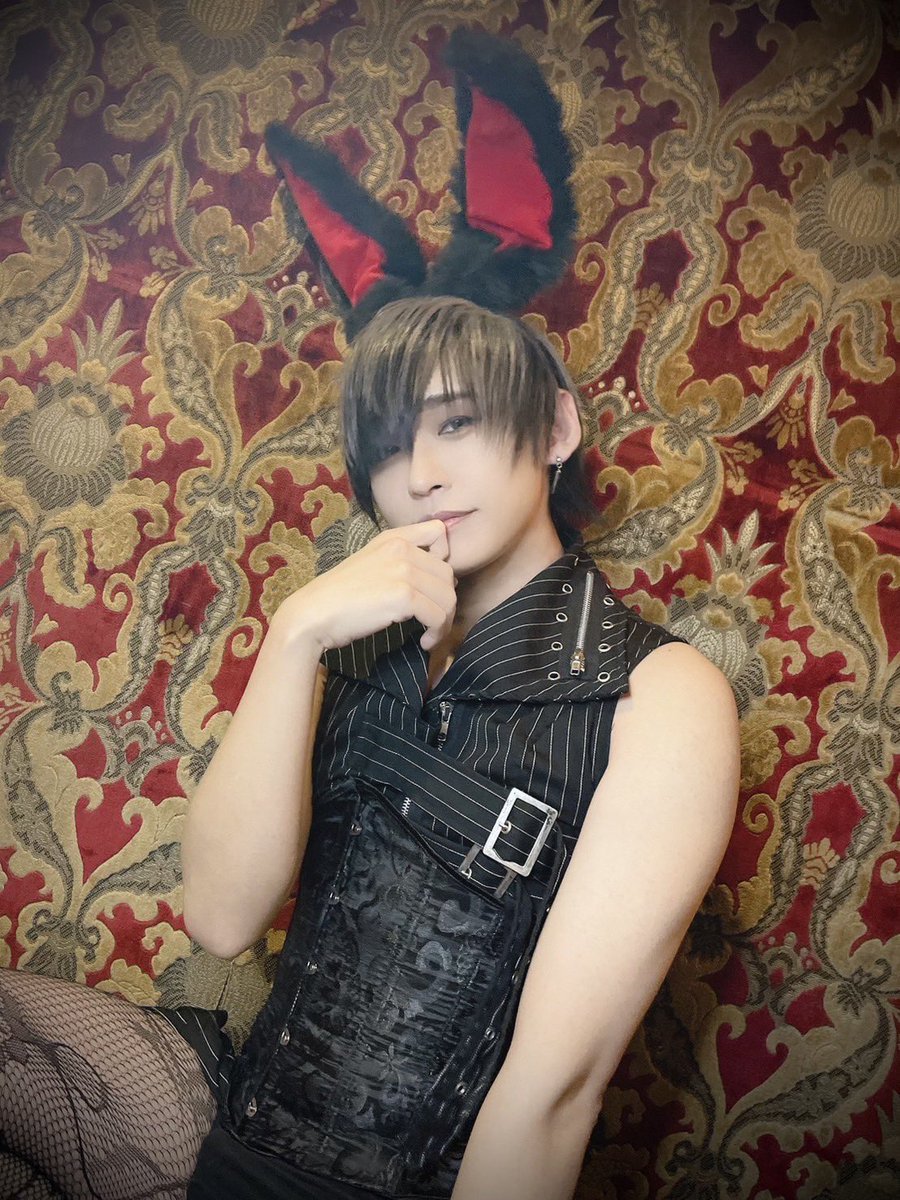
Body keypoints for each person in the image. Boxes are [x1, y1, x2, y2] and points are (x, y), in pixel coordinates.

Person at [0, 33, 739, 1200]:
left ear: (555, 427)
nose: (421, 475)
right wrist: (295, 633)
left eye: (457, 423)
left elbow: (551, 1095)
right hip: (227, 1123)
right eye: (389, 447)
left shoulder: (659, 694)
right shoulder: (356, 643)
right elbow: (222, 918)